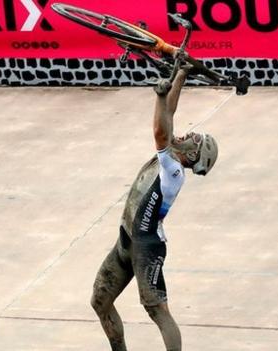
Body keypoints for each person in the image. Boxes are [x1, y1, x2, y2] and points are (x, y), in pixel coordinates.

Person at [90, 65, 219, 351]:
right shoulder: (173, 157)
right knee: (100, 300)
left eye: (193, 139)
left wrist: (161, 94)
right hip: (127, 240)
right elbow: (168, 117)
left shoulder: (172, 169)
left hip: (147, 247)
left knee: (157, 311)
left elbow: (161, 131)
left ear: (194, 155)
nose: (186, 135)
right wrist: (181, 75)